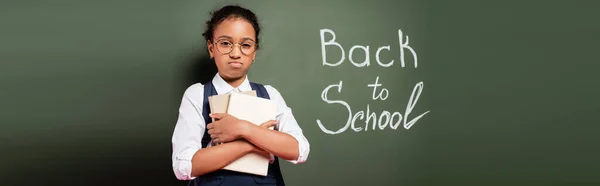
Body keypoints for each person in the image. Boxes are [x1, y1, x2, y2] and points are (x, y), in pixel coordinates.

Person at [171, 5, 310, 186]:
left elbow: (299, 150)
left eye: (245, 45)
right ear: (211, 48)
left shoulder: (270, 95)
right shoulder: (197, 94)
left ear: (254, 53)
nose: (236, 53)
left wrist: (243, 128)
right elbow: (184, 166)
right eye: (225, 43)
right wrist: (253, 144)